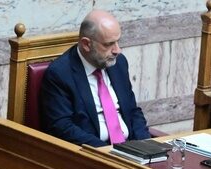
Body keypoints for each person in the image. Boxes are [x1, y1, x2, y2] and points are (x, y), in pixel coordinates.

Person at [40, 9, 151, 147]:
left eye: (117, 42)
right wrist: (109, 153)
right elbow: (62, 127)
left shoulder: (119, 63)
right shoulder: (60, 74)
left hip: (130, 148)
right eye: (108, 44)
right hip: (92, 152)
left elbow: (132, 111)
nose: (117, 50)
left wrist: (146, 146)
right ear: (86, 44)